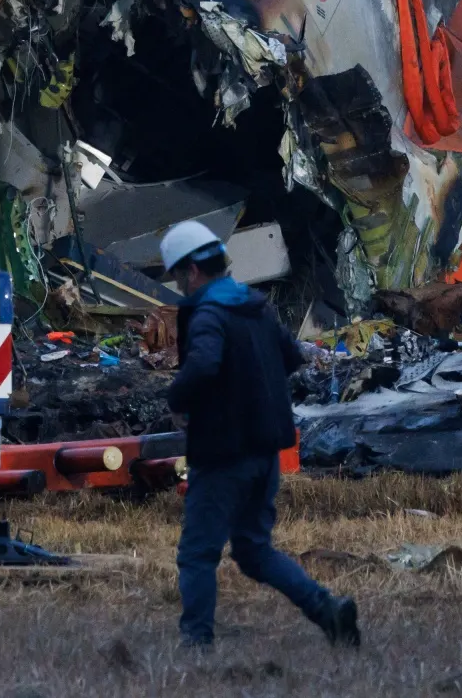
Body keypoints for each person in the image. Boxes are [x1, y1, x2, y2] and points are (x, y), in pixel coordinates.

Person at [161, 219, 359, 649]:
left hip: (222, 453)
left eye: (178, 276)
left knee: (198, 552)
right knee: (253, 551)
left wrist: (178, 398)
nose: (179, 287)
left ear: (192, 271)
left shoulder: (209, 312)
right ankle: (328, 610)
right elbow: (290, 356)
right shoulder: (256, 306)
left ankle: (196, 643)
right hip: (266, 453)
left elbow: (204, 364)